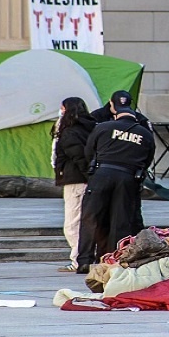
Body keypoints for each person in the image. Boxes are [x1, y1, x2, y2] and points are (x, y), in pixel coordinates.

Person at [77, 103, 155, 274]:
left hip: (101, 174)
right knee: (121, 221)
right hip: (128, 179)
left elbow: (89, 151)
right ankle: (113, 258)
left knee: (91, 218)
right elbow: (147, 160)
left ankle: (84, 260)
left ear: (116, 116)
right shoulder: (145, 134)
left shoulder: (104, 127)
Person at [52, 97, 97, 272]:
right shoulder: (92, 126)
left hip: (76, 180)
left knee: (72, 223)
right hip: (86, 179)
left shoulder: (70, 132)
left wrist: (88, 177)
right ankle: (85, 256)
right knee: (86, 220)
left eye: (62, 108)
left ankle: (78, 259)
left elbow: (79, 157)